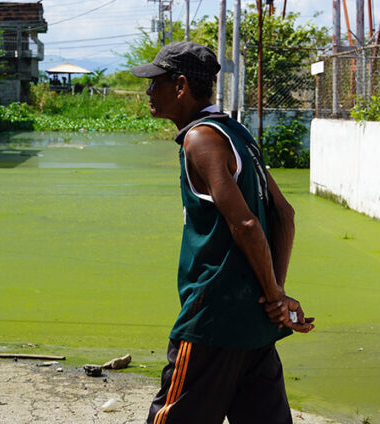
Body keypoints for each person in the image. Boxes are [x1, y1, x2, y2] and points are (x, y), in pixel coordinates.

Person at [131, 41, 315, 424]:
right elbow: (284, 214)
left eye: (155, 83)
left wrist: (274, 295)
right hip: (255, 323)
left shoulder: (201, 139)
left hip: (213, 318)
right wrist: (274, 296)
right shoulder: (237, 134)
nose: (149, 91)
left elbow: (246, 223)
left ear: (180, 86)